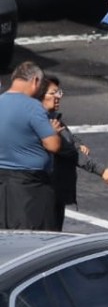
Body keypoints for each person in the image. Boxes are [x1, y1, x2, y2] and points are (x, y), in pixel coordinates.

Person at [35, 74, 108, 230]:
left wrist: (78, 143)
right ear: (40, 96)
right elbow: (68, 150)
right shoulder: (45, 123)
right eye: (53, 93)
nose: (58, 97)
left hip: (54, 192)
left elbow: (69, 137)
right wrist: (102, 170)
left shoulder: (53, 119)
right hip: (46, 193)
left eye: (59, 92)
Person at [0, 61, 61, 230]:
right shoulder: (33, 107)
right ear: (35, 81)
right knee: (34, 241)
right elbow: (53, 145)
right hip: (31, 189)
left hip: (3, 184)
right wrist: (54, 132)